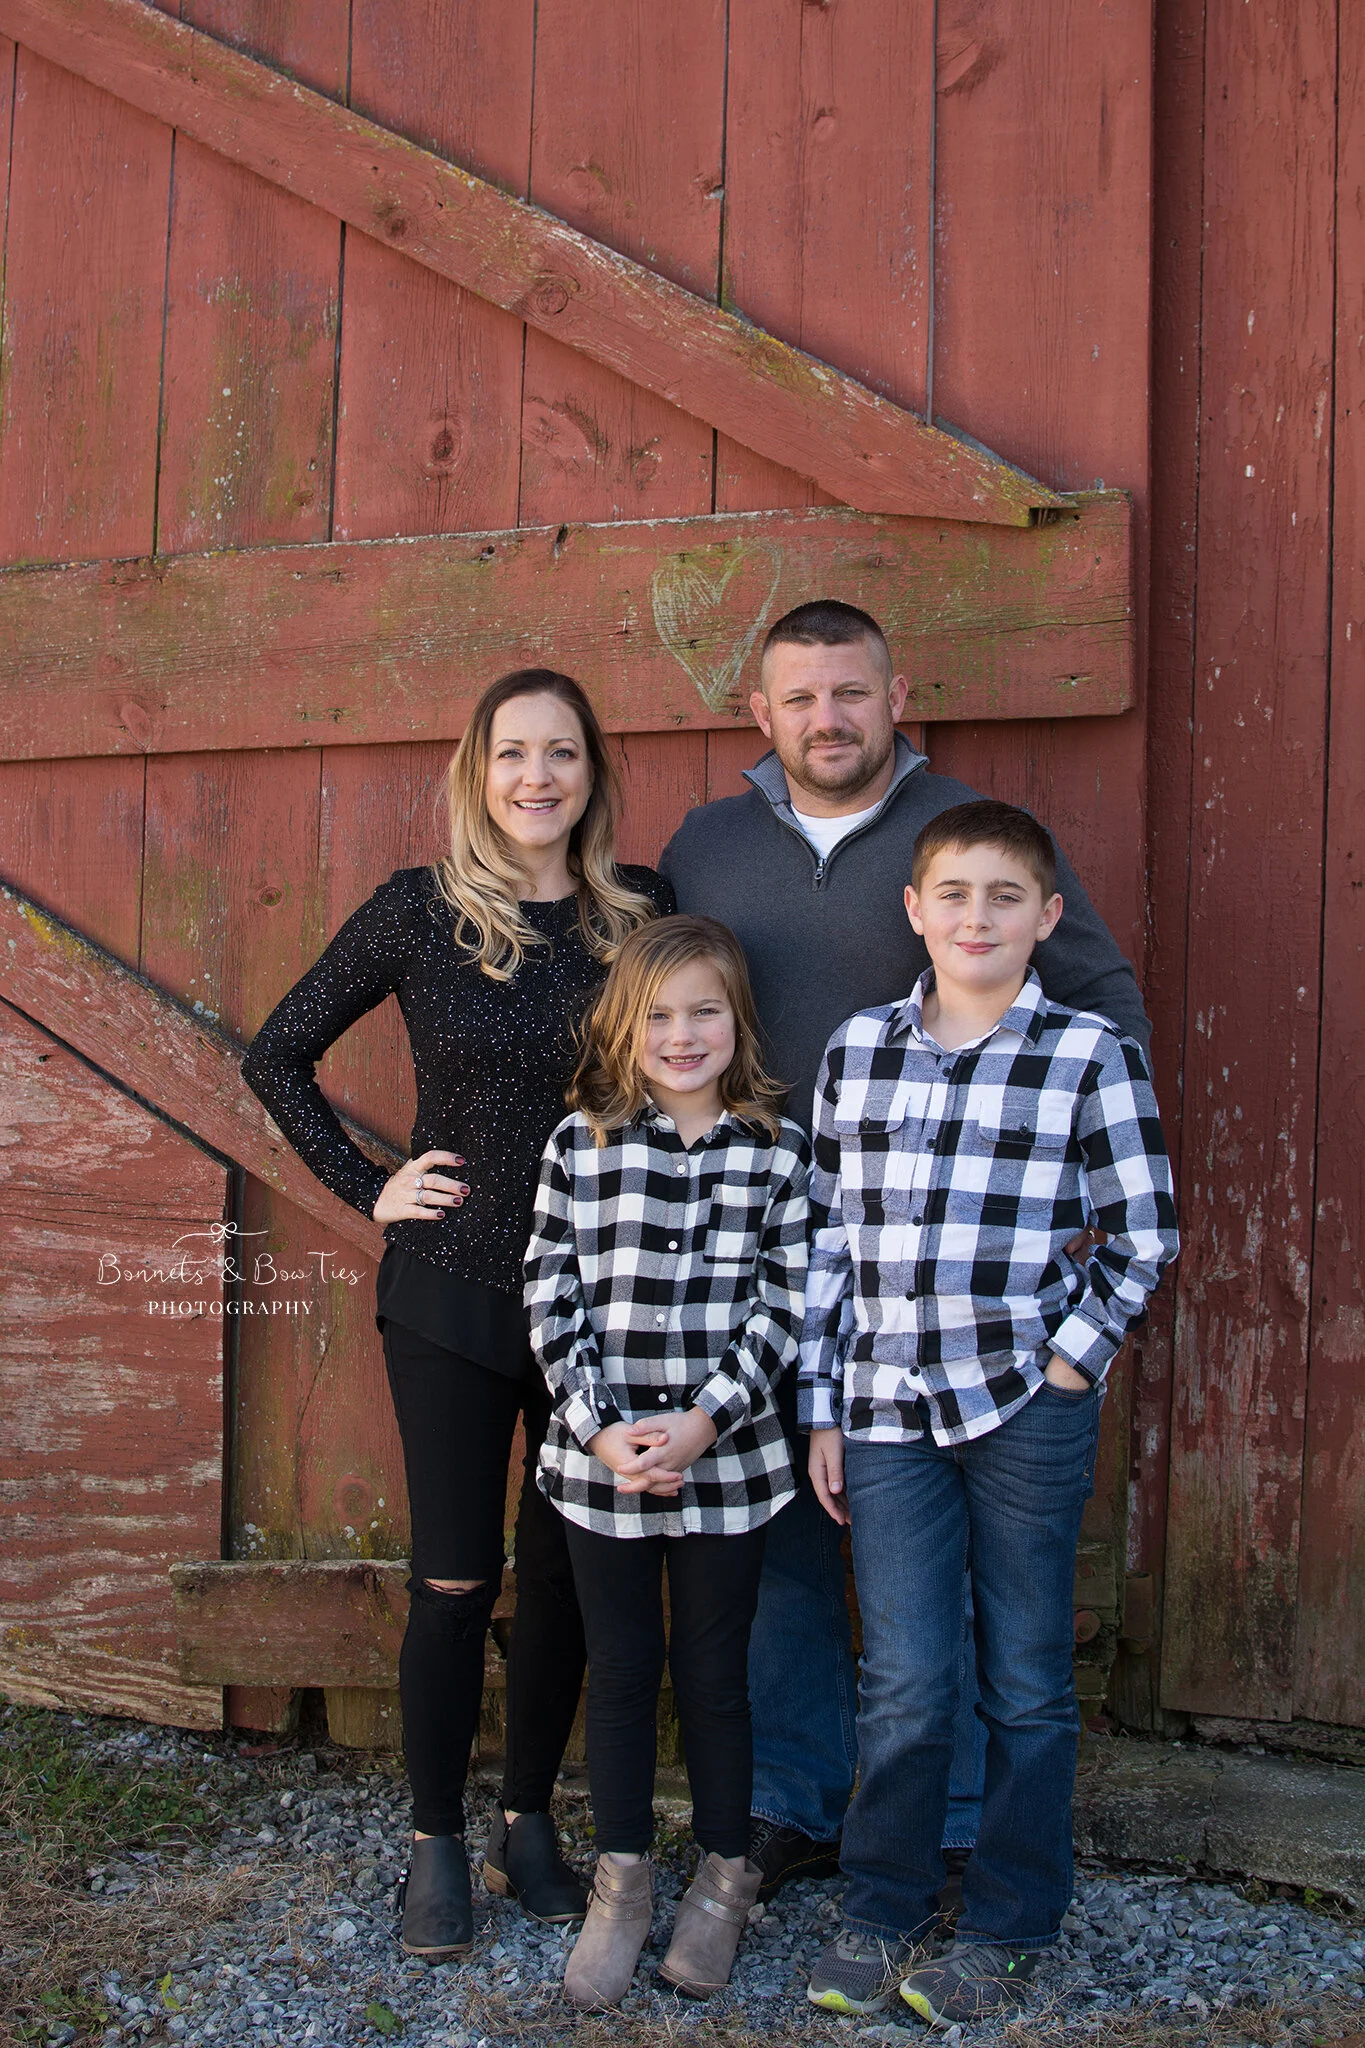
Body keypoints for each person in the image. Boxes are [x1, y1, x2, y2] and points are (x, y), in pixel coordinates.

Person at [659, 600, 1152, 1898]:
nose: (828, 719)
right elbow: (656, 998)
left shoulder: (967, 836)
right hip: (755, 1238)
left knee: (956, 1574)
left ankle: (961, 1817)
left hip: (932, 1270)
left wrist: (1069, 1176)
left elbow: (1102, 1001)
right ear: (761, 713)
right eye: (801, 697)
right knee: (775, 1529)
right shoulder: (705, 845)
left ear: (896, 696)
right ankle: (793, 1797)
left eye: (851, 692)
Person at [241, 669, 672, 1959]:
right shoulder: (420, 910)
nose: (538, 776)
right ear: (478, 772)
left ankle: (526, 1821)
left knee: (567, 1574)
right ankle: (434, 1837)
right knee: (452, 1578)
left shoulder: (639, 912)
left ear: (593, 771)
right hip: (452, 1292)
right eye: (512, 753)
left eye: (562, 752)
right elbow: (277, 1052)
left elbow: (693, 1063)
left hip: (600, 1293)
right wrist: (369, 1183)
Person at [800, 799, 1178, 2022]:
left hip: (1026, 1405)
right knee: (906, 1674)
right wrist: (823, 1403)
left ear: (1046, 916)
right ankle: (884, 1903)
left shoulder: (1087, 1054)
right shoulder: (859, 1049)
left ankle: (1013, 1917)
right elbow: (825, 1237)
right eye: (954, 894)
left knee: (1024, 1675)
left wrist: (1069, 1365)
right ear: (914, 909)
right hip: (886, 1407)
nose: (978, 917)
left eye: (1005, 896)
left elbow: (1143, 1232)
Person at [524, 916, 809, 2007]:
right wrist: (599, 1428)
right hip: (599, 1465)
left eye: (704, 1012)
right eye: (657, 1016)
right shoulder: (581, 1143)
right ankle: (625, 1883)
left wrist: (704, 1421)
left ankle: (725, 1881)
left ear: (739, 1023)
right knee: (622, 1667)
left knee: (714, 1673)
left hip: (727, 1465)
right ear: (621, 1028)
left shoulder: (778, 1153)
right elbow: (550, 1292)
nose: (682, 1035)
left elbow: (787, 1304)